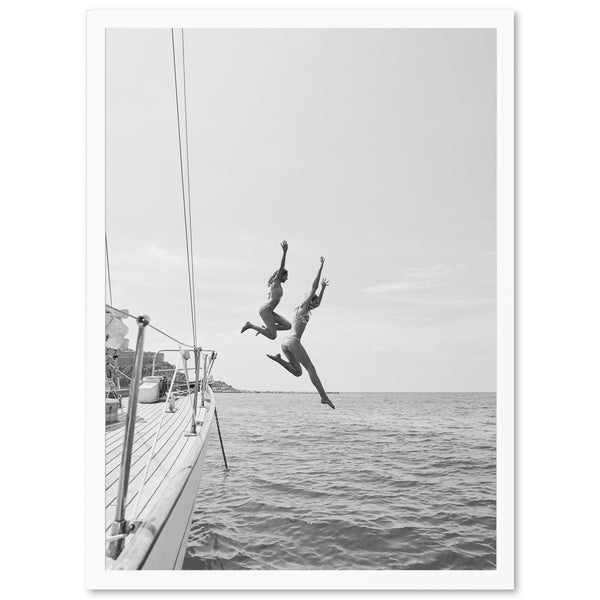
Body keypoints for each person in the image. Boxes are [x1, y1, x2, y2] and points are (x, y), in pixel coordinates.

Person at [267, 257, 335, 409]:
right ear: (309, 301)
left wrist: (323, 290)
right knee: (311, 369)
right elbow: (313, 287)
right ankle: (323, 397)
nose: (315, 305)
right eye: (314, 302)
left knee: (298, 372)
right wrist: (320, 268)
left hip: (285, 343)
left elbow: (318, 302)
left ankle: (278, 359)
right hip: (293, 341)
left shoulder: (304, 310)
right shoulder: (304, 307)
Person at [241, 240, 292, 339]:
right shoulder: (276, 282)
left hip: (270, 311)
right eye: (286, 276)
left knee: (288, 326)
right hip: (266, 310)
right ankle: (250, 325)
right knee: (273, 336)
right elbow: (282, 266)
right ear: (281, 276)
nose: (287, 278)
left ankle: (267, 329)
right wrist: (285, 252)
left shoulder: (278, 284)